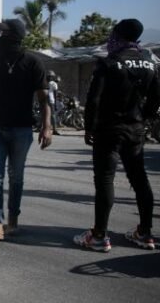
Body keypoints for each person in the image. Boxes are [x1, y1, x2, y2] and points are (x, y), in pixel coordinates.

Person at [74, 19, 158, 252]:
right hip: (135, 130)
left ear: (118, 35)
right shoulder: (150, 63)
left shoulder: (110, 63)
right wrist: (145, 117)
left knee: (105, 180)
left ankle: (99, 235)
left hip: (108, 130)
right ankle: (145, 233)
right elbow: (156, 98)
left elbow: (94, 99)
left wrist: (89, 127)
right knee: (139, 180)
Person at [0, 19, 53, 245]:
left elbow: (44, 98)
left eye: (2, 34)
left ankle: (13, 221)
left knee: (16, 178)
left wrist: (47, 127)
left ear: (15, 37)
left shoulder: (33, 63)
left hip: (21, 130)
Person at [47, 71, 61, 135]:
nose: (49, 77)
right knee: (53, 115)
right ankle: (54, 130)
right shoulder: (54, 84)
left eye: (49, 76)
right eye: (49, 76)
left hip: (46, 100)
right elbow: (55, 94)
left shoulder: (45, 83)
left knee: (46, 115)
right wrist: (55, 104)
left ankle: (43, 128)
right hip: (51, 101)